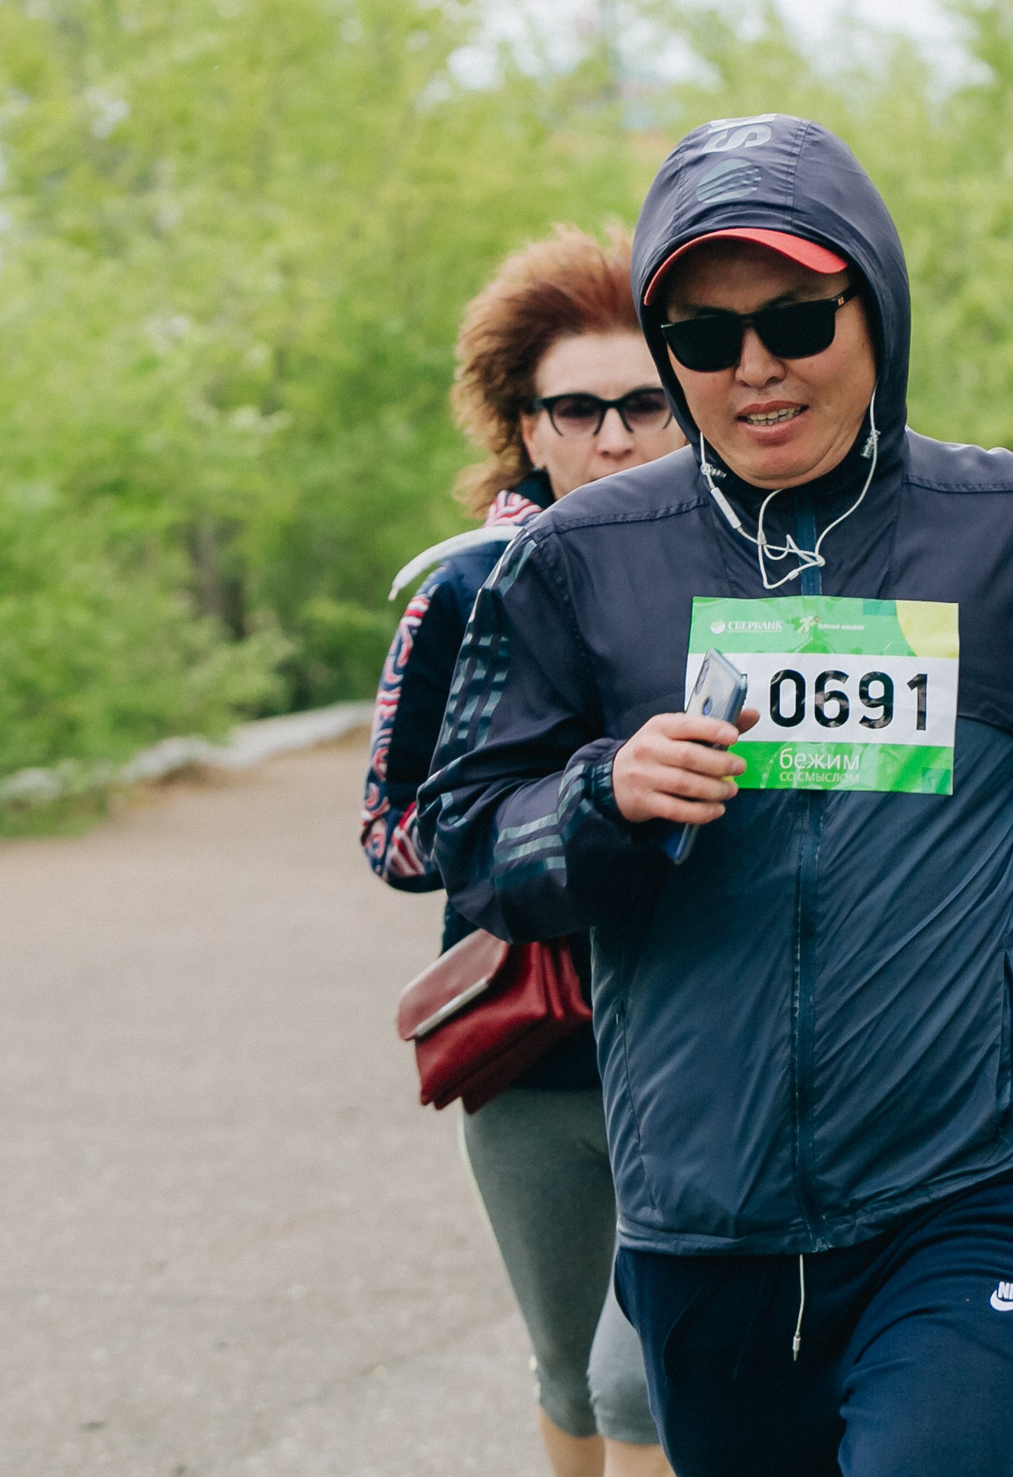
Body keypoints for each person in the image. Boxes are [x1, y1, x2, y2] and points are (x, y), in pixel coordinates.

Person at [418, 116, 1013, 1477]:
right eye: (704, 340)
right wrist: (603, 794)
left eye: (798, 320)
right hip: (708, 1207)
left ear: (873, 309)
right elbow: (471, 840)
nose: (756, 368)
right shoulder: (585, 564)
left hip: (973, 1177)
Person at [360, 225, 682, 1477]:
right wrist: (572, 798)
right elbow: (394, 836)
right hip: (536, 1044)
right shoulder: (464, 592)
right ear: (524, 424)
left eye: (646, 402)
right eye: (578, 409)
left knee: (637, 1381)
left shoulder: (753, 581)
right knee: (568, 1372)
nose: (614, 437)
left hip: (709, 1034)